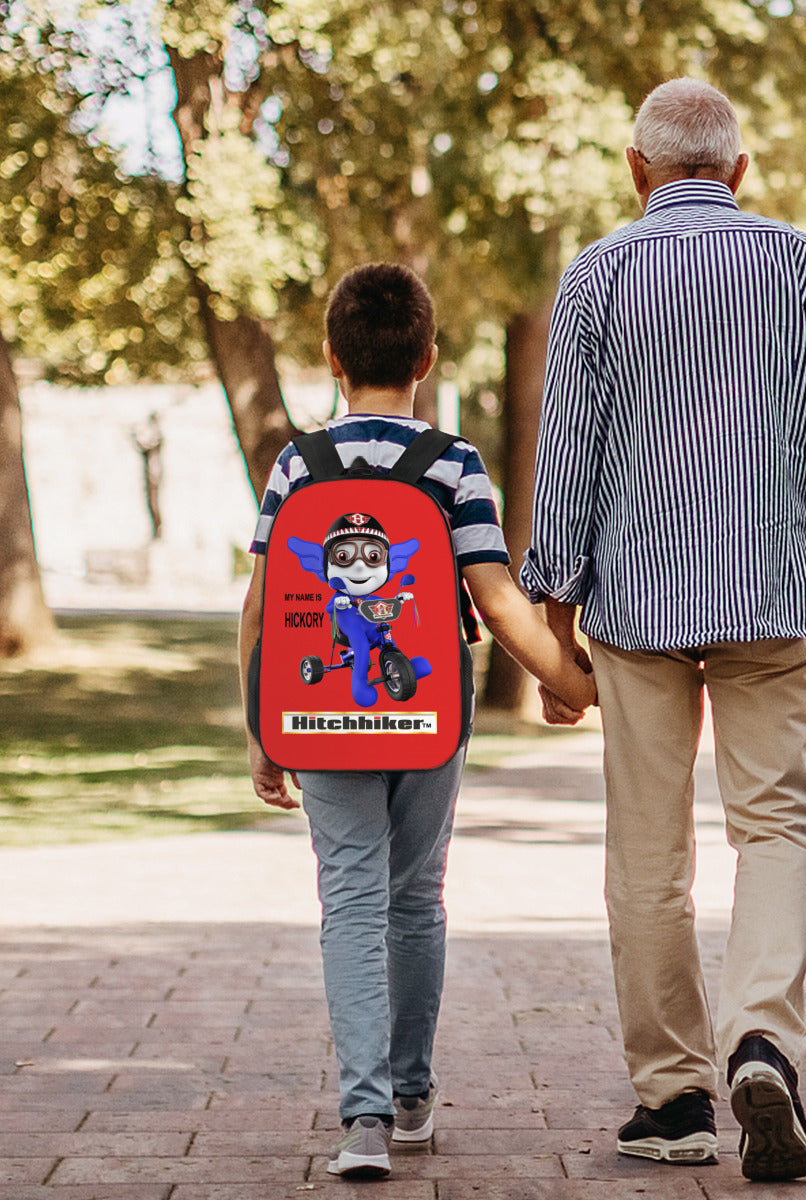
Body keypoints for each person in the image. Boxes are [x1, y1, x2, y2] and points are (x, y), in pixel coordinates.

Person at [521, 78, 806, 1182]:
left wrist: (555, 634)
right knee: (776, 830)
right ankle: (763, 1042)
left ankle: (675, 1102)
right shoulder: (801, 262)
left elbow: (566, 466)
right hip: (774, 596)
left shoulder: (598, 275)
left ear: (635, 168)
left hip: (638, 611)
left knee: (648, 858)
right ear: (738, 172)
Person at [237, 263, 596, 1181]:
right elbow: (498, 600)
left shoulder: (296, 465)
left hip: (318, 719)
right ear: (428, 359)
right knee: (415, 897)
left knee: (350, 899)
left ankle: (359, 1123)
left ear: (331, 357)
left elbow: (262, 605)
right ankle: (409, 1099)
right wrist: (579, 684)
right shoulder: (452, 465)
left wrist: (259, 726)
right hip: (430, 711)